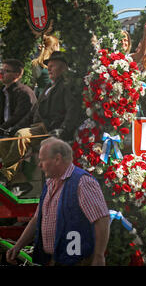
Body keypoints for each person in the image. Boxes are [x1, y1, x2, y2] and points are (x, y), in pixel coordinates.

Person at [6, 138, 110, 266]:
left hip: (77, 261)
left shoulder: (82, 182)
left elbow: (101, 219)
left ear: (57, 159)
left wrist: (99, 256)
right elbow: (37, 218)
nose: (39, 165)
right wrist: (18, 246)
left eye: (42, 160)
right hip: (54, 260)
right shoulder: (50, 182)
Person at [0, 51, 81, 183]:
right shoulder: (49, 86)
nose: (48, 68)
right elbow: (32, 113)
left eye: (53, 65)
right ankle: (19, 181)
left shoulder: (66, 86)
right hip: (36, 127)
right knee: (4, 141)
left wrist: (63, 129)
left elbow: (72, 110)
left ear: (64, 67)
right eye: (48, 65)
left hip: (49, 129)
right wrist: (12, 129)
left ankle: (6, 175)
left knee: (22, 135)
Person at [0, 59, 37, 137]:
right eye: (1, 70)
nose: (1, 73)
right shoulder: (3, 90)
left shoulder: (24, 92)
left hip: (16, 133)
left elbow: (19, 117)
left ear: (16, 75)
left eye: (6, 71)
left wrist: (2, 129)